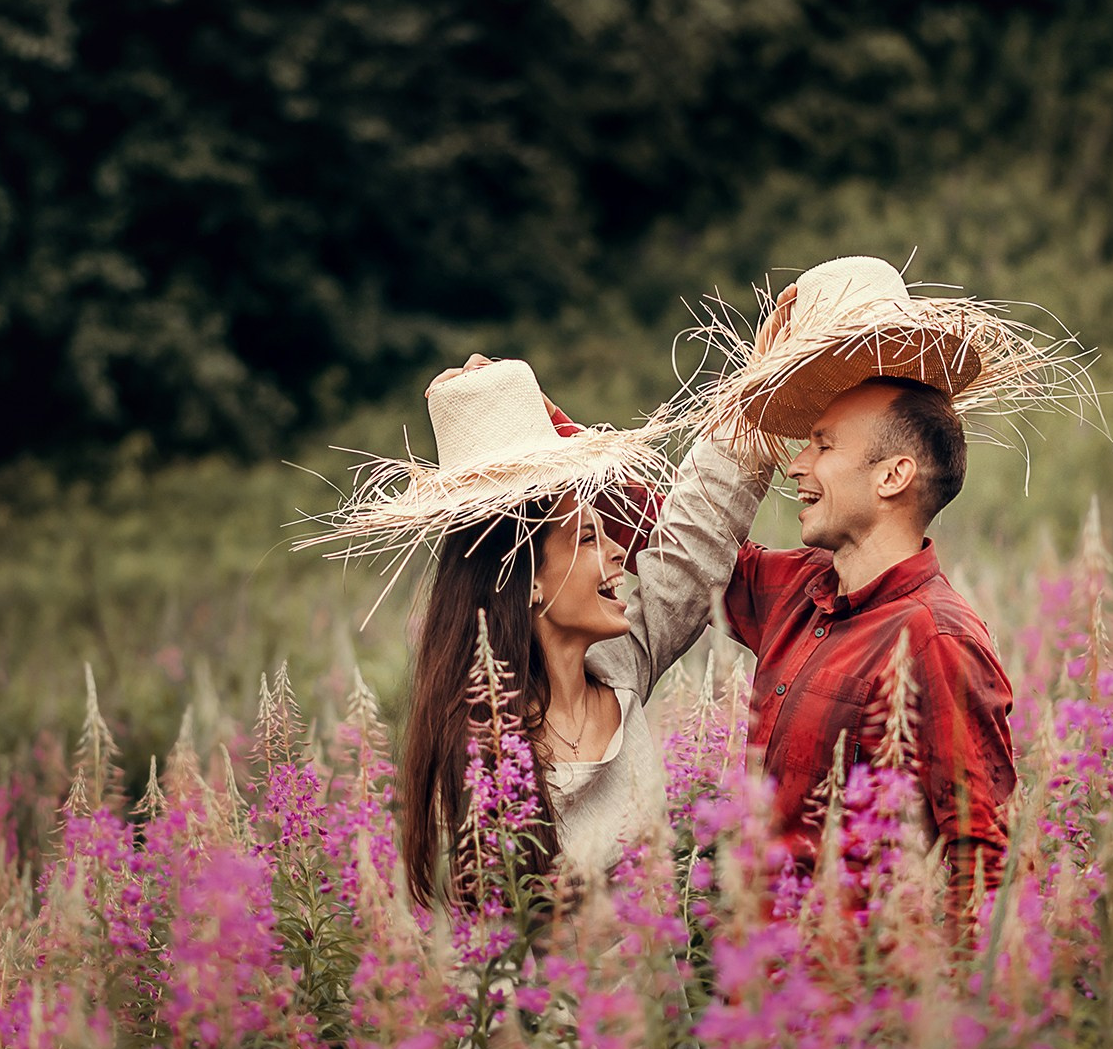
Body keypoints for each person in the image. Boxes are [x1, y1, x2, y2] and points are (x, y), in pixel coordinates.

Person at [684, 255, 1095, 918]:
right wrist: (551, 444)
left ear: (891, 475)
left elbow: (985, 863)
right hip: (754, 1000)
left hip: (851, 1006)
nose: (796, 463)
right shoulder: (798, 587)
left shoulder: (936, 640)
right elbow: (683, 545)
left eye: (821, 443)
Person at [299, 356, 769, 907]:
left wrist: (760, 401)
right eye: (589, 538)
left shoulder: (619, 670)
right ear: (528, 583)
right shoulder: (479, 753)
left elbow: (691, 548)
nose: (622, 551)